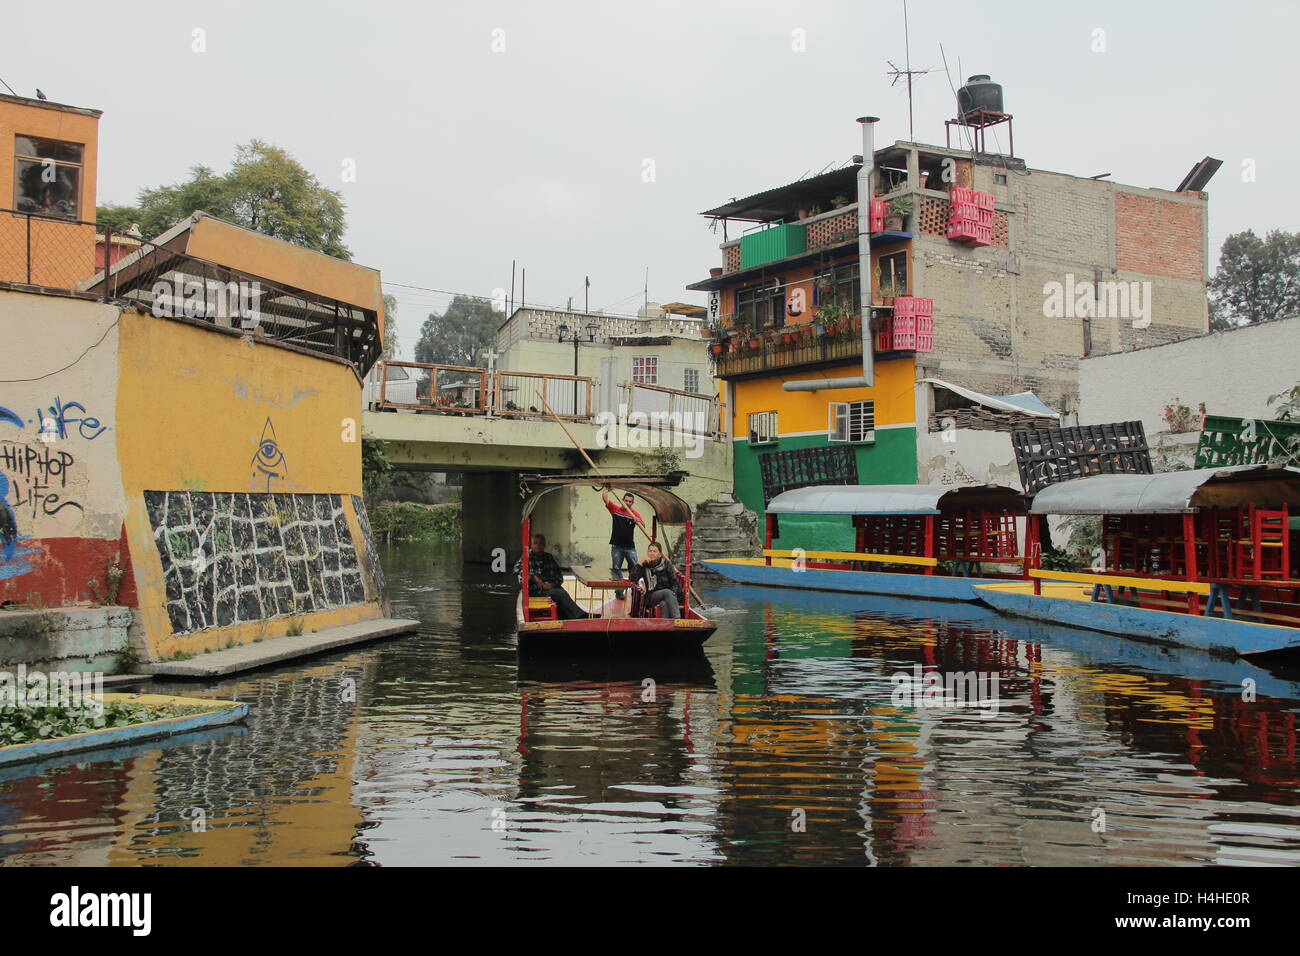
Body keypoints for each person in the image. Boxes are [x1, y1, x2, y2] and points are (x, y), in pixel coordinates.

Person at [513, 533, 587, 620]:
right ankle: (581, 616)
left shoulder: (549, 557)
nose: (538, 545)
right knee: (560, 594)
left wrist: (551, 585)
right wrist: (534, 577)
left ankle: (570, 617)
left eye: (541, 543)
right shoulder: (527, 556)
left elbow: (559, 578)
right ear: (531, 545)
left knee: (561, 593)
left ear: (544, 545)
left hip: (550, 589)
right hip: (536, 592)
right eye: (535, 543)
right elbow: (516, 570)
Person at [602, 486, 646, 599]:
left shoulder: (634, 514)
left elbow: (644, 526)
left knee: (635, 568)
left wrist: (638, 521)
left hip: (630, 546)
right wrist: (606, 488)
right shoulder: (616, 510)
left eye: (630, 501)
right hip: (617, 546)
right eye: (626, 500)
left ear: (632, 503)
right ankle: (619, 593)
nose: (628, 503)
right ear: (622, 500)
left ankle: (635, 591)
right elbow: (605, 499)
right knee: (616, 569)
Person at [631, 542, 682, 619]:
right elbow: (632, 578)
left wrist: (673, 597)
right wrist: (639, 563)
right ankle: (677, 619)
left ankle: (664, 626)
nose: (651, 553)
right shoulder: (644, 565)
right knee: (667, 592)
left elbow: (674, 583)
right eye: (650, 551)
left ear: (660, 554)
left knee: (664, 604)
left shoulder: (666, 564)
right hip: (651, 596)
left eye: (654, 551)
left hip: (669, 596)